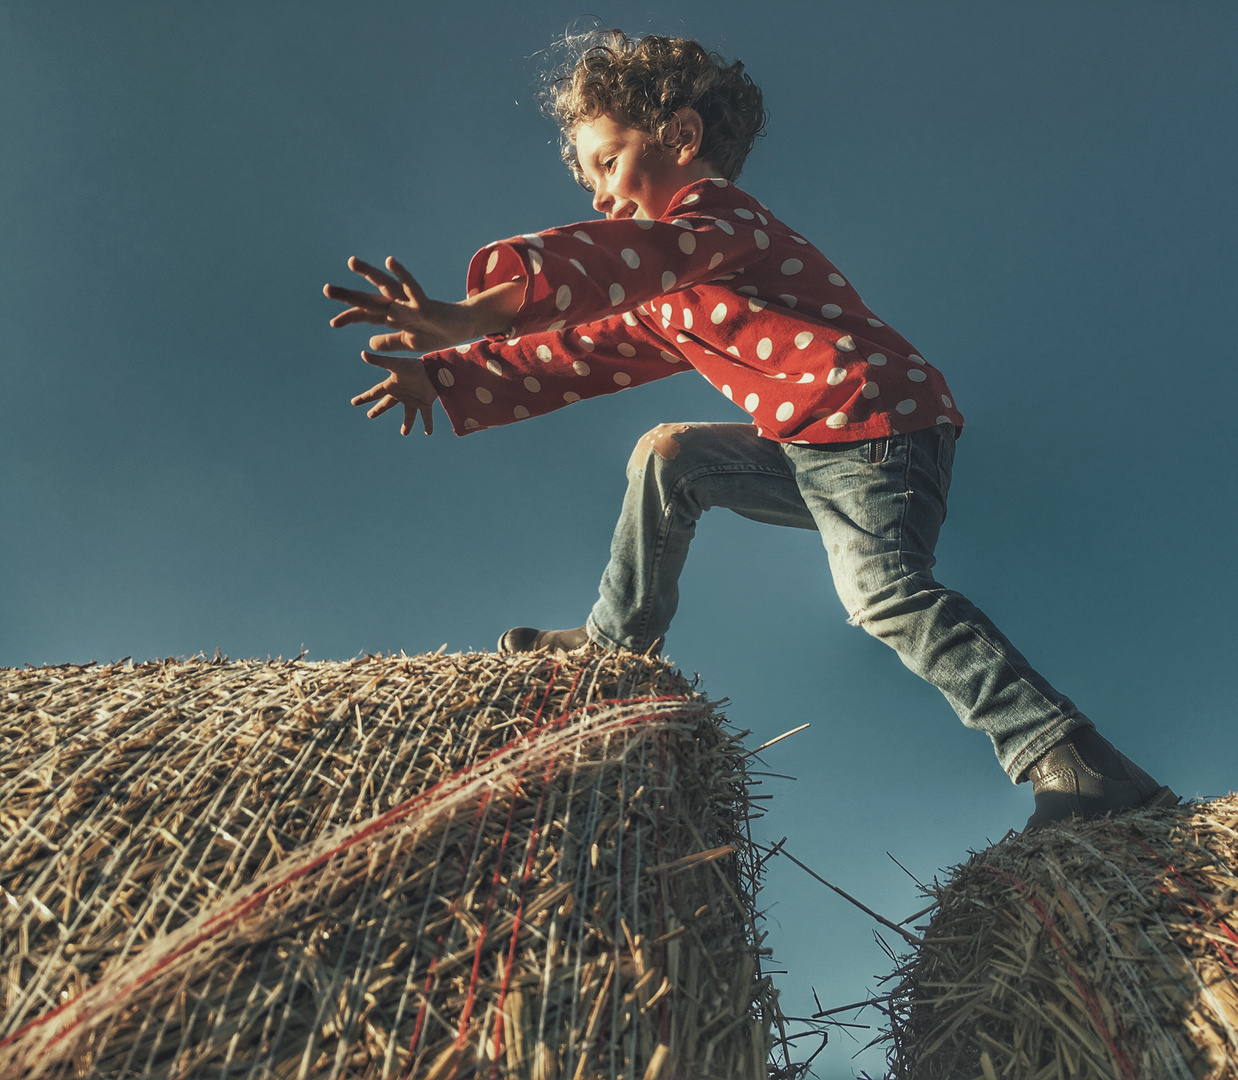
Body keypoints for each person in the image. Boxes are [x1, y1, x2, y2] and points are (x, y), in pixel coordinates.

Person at [323, 30, 1176, 829]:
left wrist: (471, 313)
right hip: (810, 444)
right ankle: (616, 646)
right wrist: (449, 375)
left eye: (608, 161)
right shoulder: (673, 291)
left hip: (875, 424)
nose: (597, 190)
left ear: (680, 136)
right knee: (669, 456)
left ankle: (1070, 758)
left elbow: (625, 263)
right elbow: (583, 352)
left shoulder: (722, 222)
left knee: (880, 593)